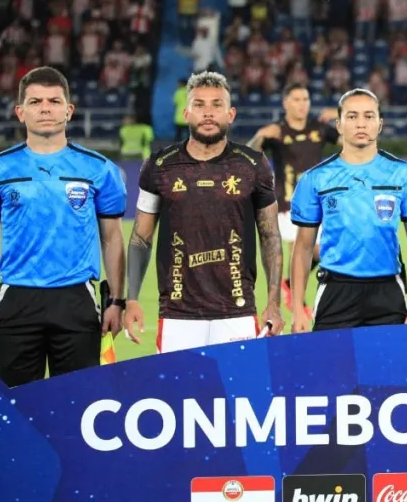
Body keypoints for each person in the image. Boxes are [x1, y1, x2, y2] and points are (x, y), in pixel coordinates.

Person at [0, 67, 126, 387]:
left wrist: (117, 301)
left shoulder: (99, 169)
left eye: (54, 101)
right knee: (12, 409)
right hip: (16, 300)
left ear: (69, 111)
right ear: (20, 112)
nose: (45, 108)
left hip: (77, 301)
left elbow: (112, 239)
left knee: (80, 408)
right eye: (35, 101)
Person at [122, 71, 285, 352]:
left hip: (238, 312)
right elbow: (140, 239)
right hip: (177, 315)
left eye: (216, 104)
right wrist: (132, 297)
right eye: (199, 105)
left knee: (238, 395)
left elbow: (270, 236)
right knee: (179, 395)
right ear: (186, 113)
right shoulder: (159, 166)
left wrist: (273, 303)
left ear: (230, 113)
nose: (208, 113)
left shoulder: (253, 165)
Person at [288, 88, 407, 331]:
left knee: (390, 369)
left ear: (380, 124)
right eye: (352, 116)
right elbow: (303, 247)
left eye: (369, 116)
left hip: (388, 292)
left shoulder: (401, 173)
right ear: (339, 124)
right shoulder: (316, 178)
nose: (361, 123)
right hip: (336, 292)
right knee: (334, 368)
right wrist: (296, 311)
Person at [246, 83, 340, 306]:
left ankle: (290, 286)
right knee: (301, 250)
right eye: (297, 99)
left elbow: (354, 143)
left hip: (317, 201)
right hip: (287, 203)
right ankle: (297, 302)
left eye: (305, 99)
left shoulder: (320, 128)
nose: (302, 104)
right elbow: (248, 157)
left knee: (320, 252)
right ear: (285, 103)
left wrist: (342, 116)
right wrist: (259, 136)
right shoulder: (277, 132)